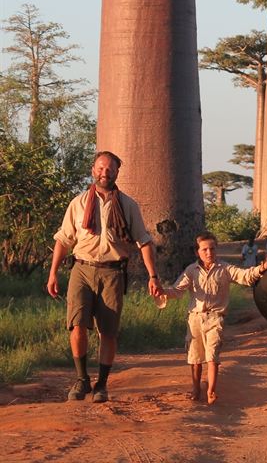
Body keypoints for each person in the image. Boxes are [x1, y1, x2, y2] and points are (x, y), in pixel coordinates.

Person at [47, 151, 163, 403]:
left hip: (112, 272)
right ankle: (81, 379)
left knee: (108, 331)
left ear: (117, 172)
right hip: (82, 268)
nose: (104, 172)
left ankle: (102, 383)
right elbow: (63, 239)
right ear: (93, 170)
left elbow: (143, 241)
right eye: (101, 168)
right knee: (77, 324)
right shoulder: (77, 204)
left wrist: (153, 276)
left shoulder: (129, 206)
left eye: (110, 169)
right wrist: (53, 273)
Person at [161, 231, 267, 404]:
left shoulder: (225, 269)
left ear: (216, 249)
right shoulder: (191, 271)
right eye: (204, 249)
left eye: (212, 248)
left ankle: (211, 390)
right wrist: (162, 292)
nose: (209, 253)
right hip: (195, 319)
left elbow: (245, 276)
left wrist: (262, 268)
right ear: (197, 251)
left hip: (215, 319)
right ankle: (196, 388)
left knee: (212, 356)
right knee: (195, 358)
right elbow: (177, 291)